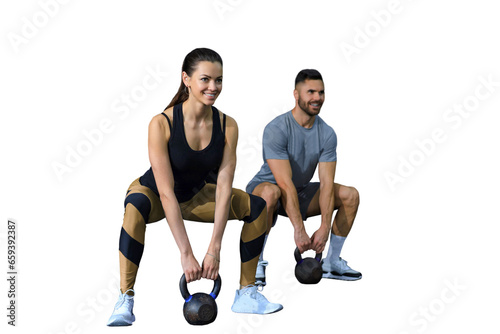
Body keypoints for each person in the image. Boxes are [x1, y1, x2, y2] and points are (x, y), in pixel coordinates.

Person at [107, 48, 282, 326]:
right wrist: (187, 254)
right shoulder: (161, 123)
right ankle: (125, 298)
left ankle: (247, 292)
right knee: (135, 206)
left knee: (258, 208)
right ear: (186, 79)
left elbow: (224, 187)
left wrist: (215, 248)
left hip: (196, 195)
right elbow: (165, 192)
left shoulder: (228, 125)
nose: (213, 87)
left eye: (219, 80)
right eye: (205, 79)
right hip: (155, 194)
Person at [246, 69, 362, 286]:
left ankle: (331, 262)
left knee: (350, 195)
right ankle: (255, 261)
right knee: (271, 193)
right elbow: (284, 183)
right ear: (296, 95)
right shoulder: (277, 128)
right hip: (267, 189)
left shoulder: (327, 133)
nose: (317, 98)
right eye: (310, 92)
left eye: (321, 92)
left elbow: (326, 185)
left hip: (299, 191)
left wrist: (324, 227)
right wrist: (299, 230)